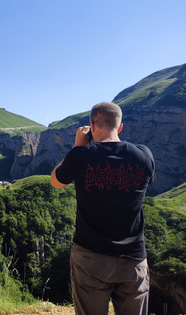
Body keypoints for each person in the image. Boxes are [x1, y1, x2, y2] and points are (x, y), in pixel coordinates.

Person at [50, 102, 155, 315]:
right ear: (120, 127)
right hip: (133, 259)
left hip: (91, 258)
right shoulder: (144, 156)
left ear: (92, 125)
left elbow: (56, 181)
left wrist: (77, 147)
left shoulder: (81, 156)